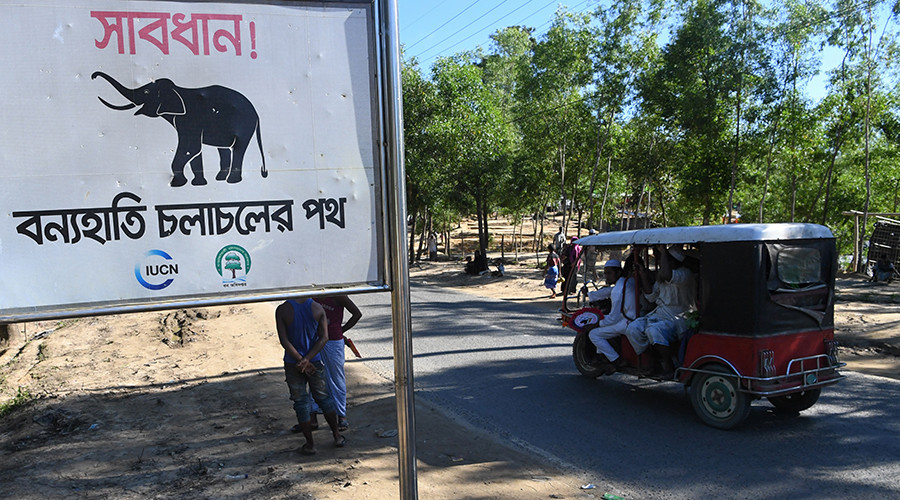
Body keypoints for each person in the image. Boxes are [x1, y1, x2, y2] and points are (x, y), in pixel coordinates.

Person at [275, 297, 346, 454]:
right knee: (324, 398)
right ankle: (337, 436)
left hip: (292, 363)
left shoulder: (282, 309)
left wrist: (300, 361)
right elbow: (324, 338)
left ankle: (310, 444)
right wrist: (308, 359)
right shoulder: (317, 308)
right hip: (314, 361)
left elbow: (284, 340)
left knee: (301, 402)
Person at [624, 245, 697, 378]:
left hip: (679, 317)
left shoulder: (685, 274)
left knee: (654, 330)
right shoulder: (662, 277)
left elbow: (667, 275)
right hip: (660, 314)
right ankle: (653, 362)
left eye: (665, 260)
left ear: (674, 262)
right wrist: (643, 275)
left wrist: (663, 251)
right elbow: (651, 296)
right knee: (633, 329)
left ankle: (669, 367)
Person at [309, 295, 362, 432]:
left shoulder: (339, 295)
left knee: (336, 378)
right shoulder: (311, 292)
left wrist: (339, 330)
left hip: (333, 341)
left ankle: (341, 416)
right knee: (313, 375)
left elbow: (356, 314)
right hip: (314, 339)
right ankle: (313, 417)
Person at [586, 259, 638, 375]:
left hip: (627, 322)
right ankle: (603, 357)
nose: (606, 276)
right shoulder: (628, 282)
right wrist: (590, 294)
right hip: (633, 318)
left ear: (618, 273)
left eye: (609, 273)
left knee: (594, 334)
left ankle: (617, 360)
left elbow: (613, 318)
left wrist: (596, 323)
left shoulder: (618, 290)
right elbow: (610, 291)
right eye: (605, 273)